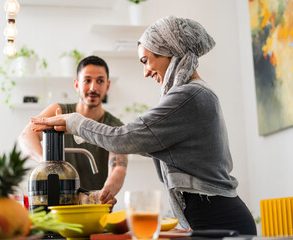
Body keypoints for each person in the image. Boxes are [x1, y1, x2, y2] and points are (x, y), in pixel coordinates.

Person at [30, 16, 257, 235]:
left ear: (169, 50)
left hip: (219, 219)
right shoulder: (195, 94)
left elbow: (123, 139)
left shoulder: (190, 96)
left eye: (145, 60)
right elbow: (135, 141)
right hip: (209, 218)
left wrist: (73, 121)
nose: (145, 71)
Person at [19, 55, 128, 206]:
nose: (93, 88)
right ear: (76, 84)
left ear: (107, 86)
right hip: (56, 206)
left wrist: (104, 193)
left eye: (100, 81)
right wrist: (47, 163)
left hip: (91, 207)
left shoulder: (115, 126)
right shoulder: (59, 112)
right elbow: (26, 136)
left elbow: (118, 168)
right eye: (87, 80)